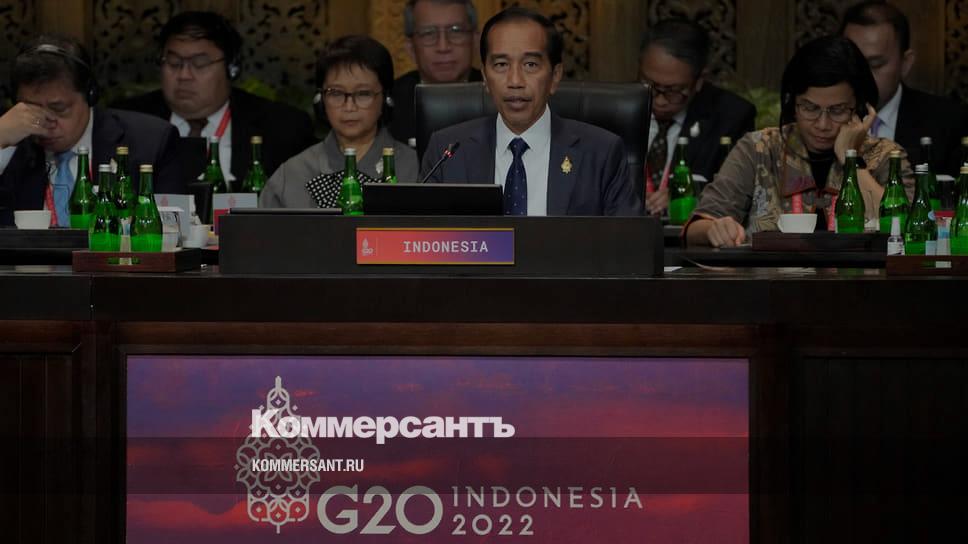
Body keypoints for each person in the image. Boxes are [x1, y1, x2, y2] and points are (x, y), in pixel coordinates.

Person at [686, 35, 914, 247]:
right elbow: (696, 227)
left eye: (838, 110)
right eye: (810, 108)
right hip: (769, 277)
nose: (822, 124)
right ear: (792, 104)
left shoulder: (887, 155)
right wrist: (714, 229)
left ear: (861, 108)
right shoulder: (759, 149)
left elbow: (908, 230)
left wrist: (851, 160)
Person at [421, 7, 641, 216]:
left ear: (555, 76)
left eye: (530, 65)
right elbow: (422, 235)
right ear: (485, 78)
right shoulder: (446, 152)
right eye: (501, 65)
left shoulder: (602, 153)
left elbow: (627, 238)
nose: (515, 81)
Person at [0, 34, 184, 227]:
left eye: (58, 109)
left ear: (90, 95)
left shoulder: (152, 142)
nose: (45, 122)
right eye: (32, 110)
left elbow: (175, 229)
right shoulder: (10, 147)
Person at [113, 11, 316, 185]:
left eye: (200, 63)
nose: (184, 75)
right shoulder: (124, 124)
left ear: (231, 67)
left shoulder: (283, 128)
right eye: (173, 62)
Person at [260, 36, 418, 208]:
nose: (349, 107)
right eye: (336, 93)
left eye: (363, 93)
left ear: (386, 98)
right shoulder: (292, 175)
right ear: (321, 100)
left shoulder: (416, 168)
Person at [639, 19, 756, 215]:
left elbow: (740, 190)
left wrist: (689, 195)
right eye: (650, 85)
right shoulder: (617, 109)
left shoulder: (731, 117)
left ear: (699, 80)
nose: (659, 100)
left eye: (673, 91)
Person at [841, 1, 968, 176]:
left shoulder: (949, 123)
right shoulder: (822, 119)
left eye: (875, 65)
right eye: (851, 64)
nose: (861, 76)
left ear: (905, 63)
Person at [389, 0, 483, 145]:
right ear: (410, 48)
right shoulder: (388, 104)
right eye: (428, 33)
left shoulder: (499, 95)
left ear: (475, 41)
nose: (443, 47)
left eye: (456, 31)